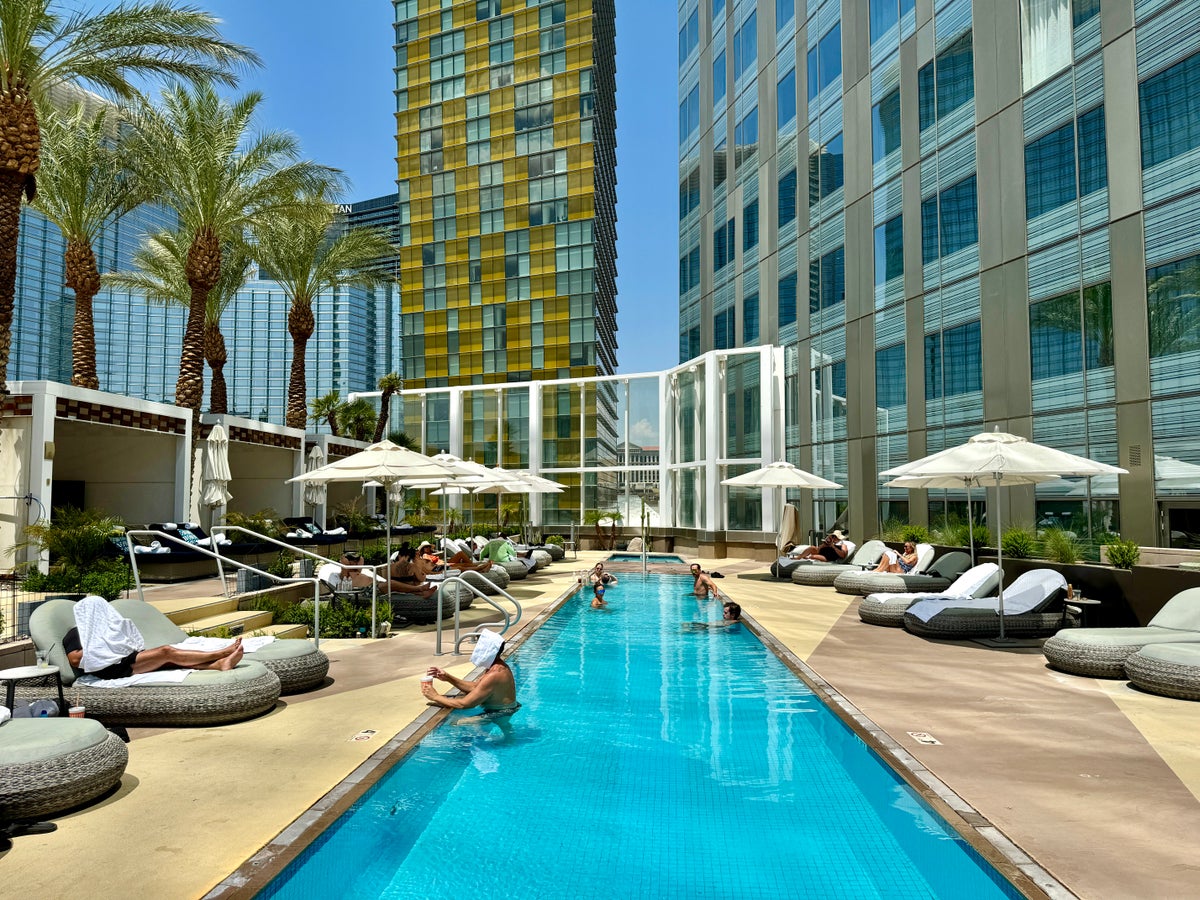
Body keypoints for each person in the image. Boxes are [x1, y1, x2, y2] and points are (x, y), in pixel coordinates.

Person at [63, 594, 244, 679]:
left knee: (172, 661)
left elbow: (131, 641)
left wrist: (118, 643)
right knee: (167, 652)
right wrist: (107, 649)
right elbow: (74, 659)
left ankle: (219, 664)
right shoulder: (76, 634)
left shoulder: (109, 628)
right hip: (114, 669)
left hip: (128, 659)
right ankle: (219, 654)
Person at [422, 630, 519, 726]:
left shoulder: (494, 674)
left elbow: (464, 704)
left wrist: (435, 696)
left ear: (487, 649)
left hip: (500, 713)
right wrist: (447, 677)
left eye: (479, 646)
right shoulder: (496, 666)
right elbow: (476, 688)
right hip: (503, 708)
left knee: (452, 723)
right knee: (506, 731)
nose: (476, 649)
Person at [317, 552, 422, 596]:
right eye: (352, 560)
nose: (355, 562)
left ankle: (418, 592)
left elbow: (360, 565)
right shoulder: (344, 574)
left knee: (395, 587)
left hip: (374, 586)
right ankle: (419, 590)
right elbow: (344, 580)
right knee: (392, 584)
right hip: (366, 592)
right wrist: (344, 562)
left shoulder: (356, 570)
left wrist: (359, 559)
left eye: (356, 560)